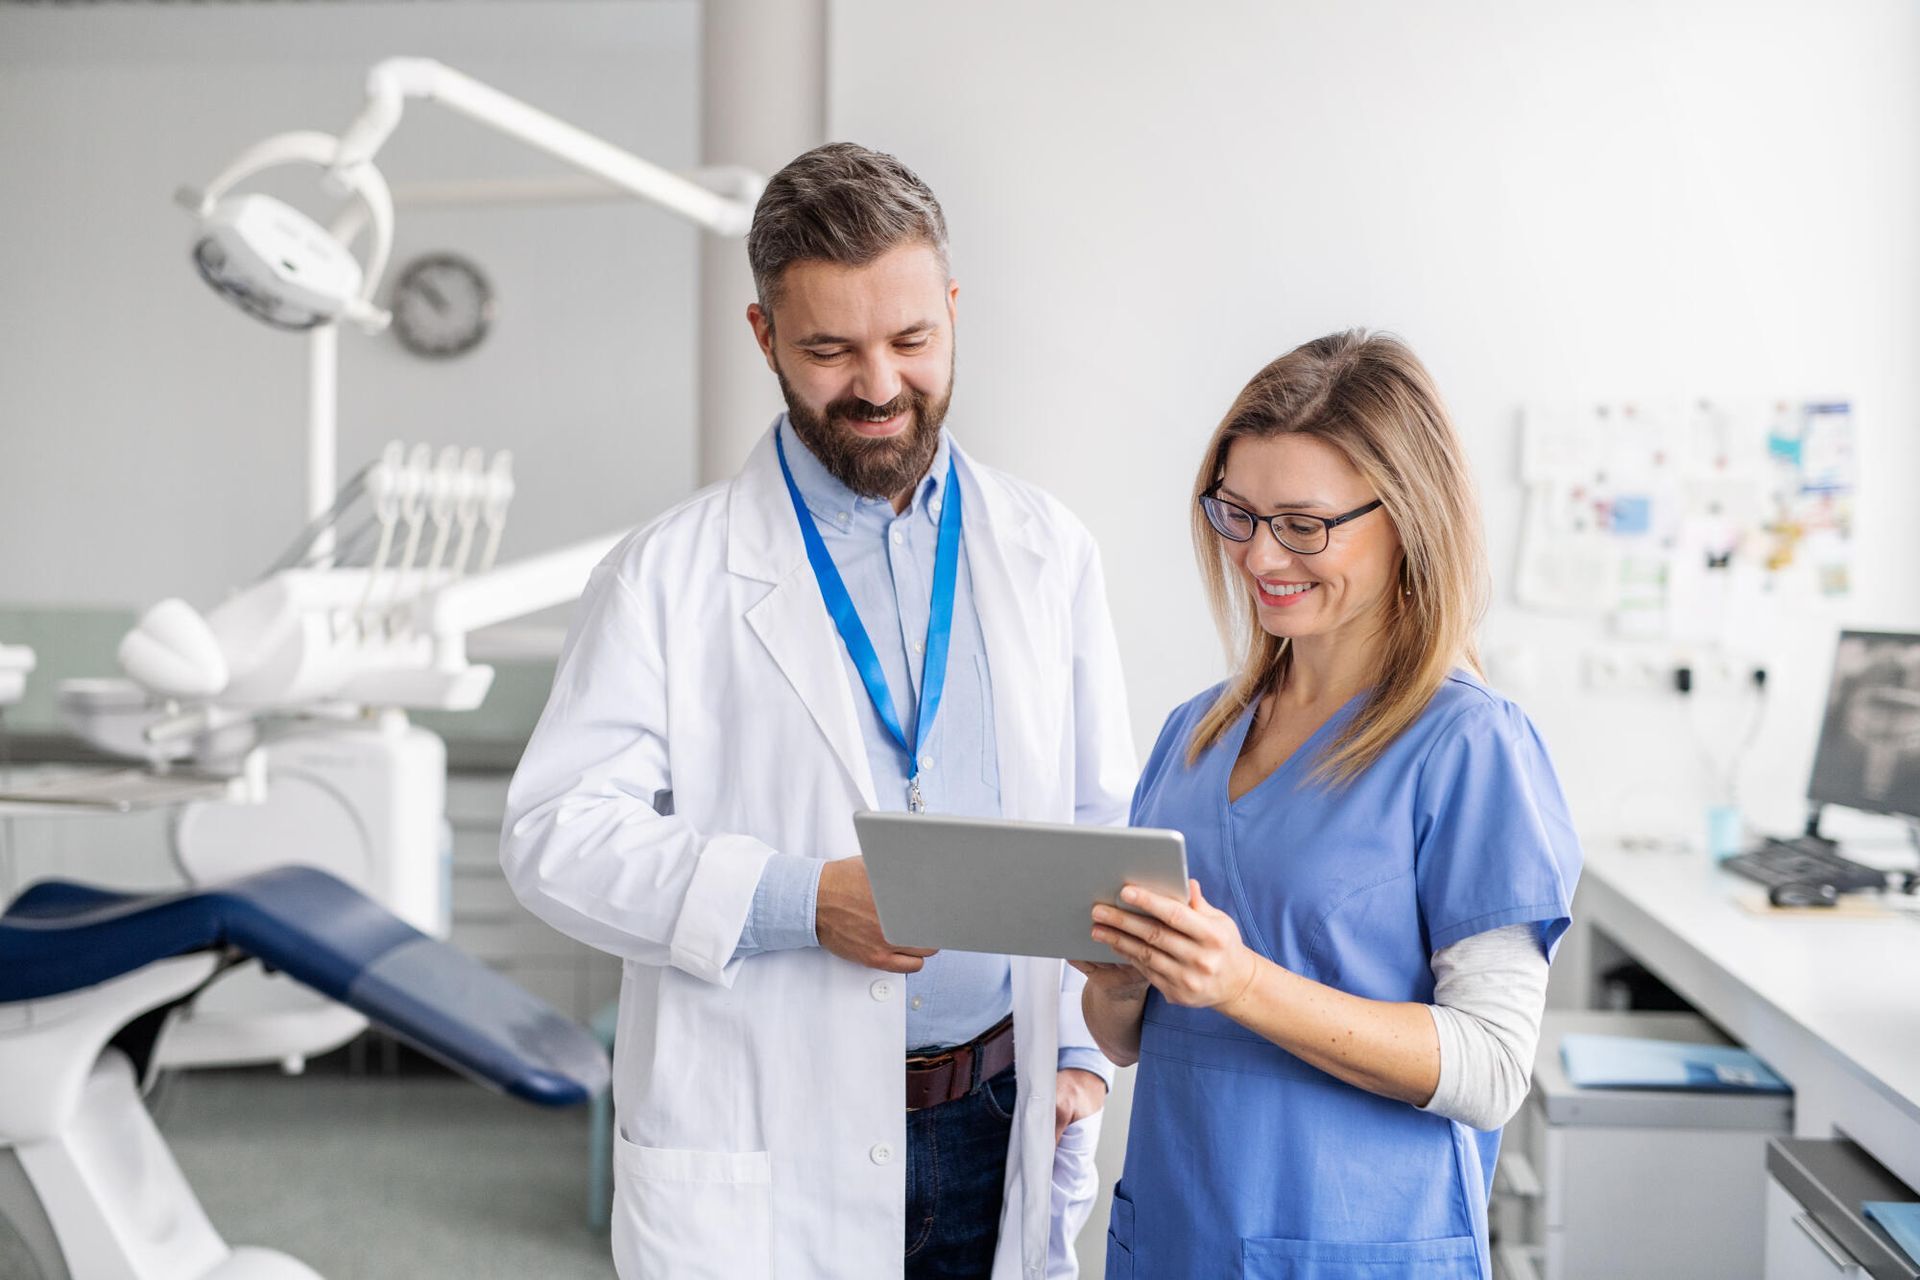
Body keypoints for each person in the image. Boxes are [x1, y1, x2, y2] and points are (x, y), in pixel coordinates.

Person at [500, 142, 1134, 1280]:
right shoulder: (666, 576)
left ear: (952, 308)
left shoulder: (1045, 550)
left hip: (998, 1113)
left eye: (912, 341)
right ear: (764, 339)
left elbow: (1099, 818)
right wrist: (798, 899)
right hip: (770, 1124)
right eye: (831, 350)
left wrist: (1080, 1054)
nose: (880, 386)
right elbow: (554, 835)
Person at [1076, 331, 1582, 1280]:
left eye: (1304, 524)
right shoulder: (1195, 735)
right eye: (1239, 514)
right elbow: (1130, 1040)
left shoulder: (1468, 747)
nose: (1262, 555)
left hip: (1358, 1248)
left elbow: (1491, 1067)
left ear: (1409, 520)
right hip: (1179, 1238)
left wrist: (1240, 982)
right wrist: (1115, 981)